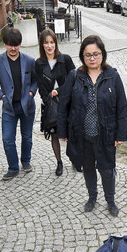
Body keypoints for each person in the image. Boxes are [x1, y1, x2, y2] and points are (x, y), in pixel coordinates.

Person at [57, 35, 127, 216]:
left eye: (96, 54)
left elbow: (122, 106)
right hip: (82, 134)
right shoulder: (75, 76)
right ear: (82, 56)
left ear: (103, 54)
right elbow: (63, 105)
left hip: (106, 134)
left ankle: (110, 200)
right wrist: (62, 131)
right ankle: (92, 196)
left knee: (107, 169)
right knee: (87, 168)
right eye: (88, 55)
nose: (92, 58)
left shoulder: (113, 76)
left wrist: (121, 134)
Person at [0, 27, 38, 180]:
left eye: (16, 45)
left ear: (20, 44)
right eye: (10, 45)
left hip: (27, 106)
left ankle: (26, 161)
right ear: (5, 44)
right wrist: (1, 96)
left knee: (27, 137)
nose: (13, 48)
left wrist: (31, 93)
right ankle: (13, 167)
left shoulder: (29, 61)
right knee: (7, 139)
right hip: (9, 107)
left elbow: (35, 80)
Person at [34, 28, 76, 176]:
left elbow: (74, 80)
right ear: (42, 45)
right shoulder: (39, 63)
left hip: (67, 102)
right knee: (55, 135)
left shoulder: (65, 60)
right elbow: (40, 86)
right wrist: (48, 99)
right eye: (46, 43)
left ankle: (74, 159)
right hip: (51, 104)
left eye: (52, 42)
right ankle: (59, 162)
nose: (49, 46)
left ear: (56, 43)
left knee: (70, 133)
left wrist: (59, 91)